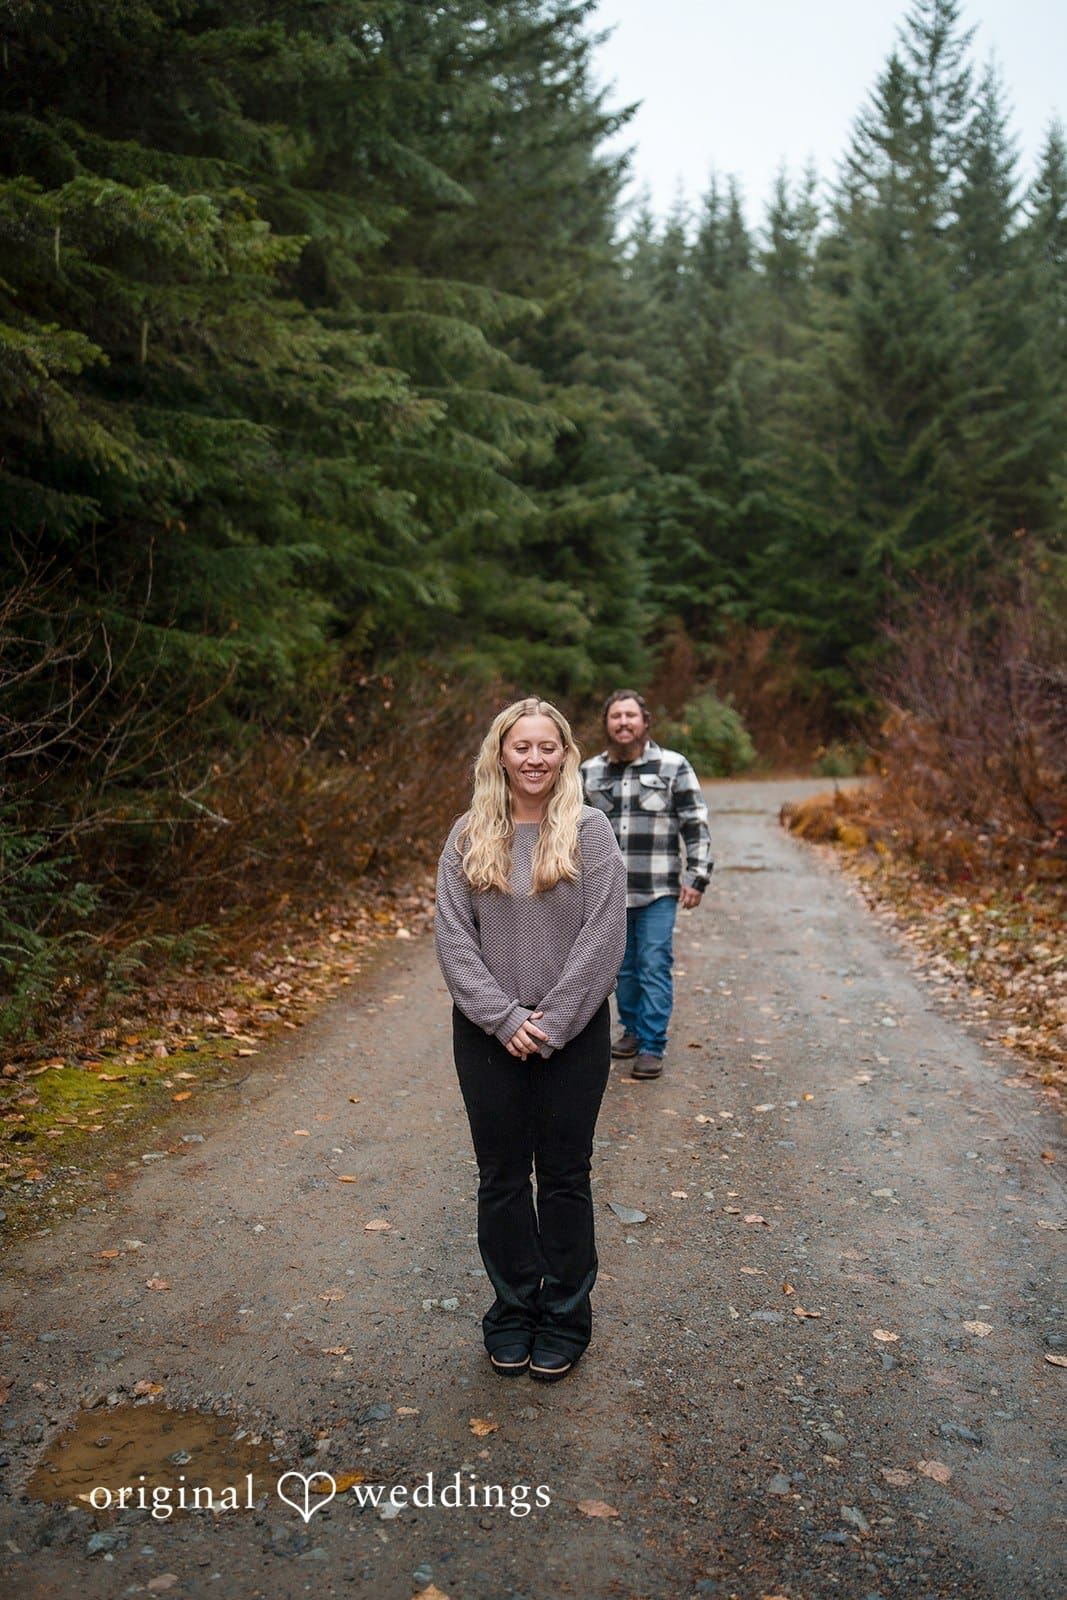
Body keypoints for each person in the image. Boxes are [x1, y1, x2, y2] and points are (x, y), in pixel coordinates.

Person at [435, 697, 626, 1383]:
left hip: (571, 1035)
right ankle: (512, 1311)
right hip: (488, 1036)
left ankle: (566, 1318)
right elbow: (454, 942)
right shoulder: (466, 835)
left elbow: (604, 937)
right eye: (522, 747)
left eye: (548, 746)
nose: (535, 758)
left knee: (566, 1178)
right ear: (500, 755)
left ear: (565, 754)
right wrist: (505, 1020)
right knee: (503, 1179)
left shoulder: (590, 832)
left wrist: (550, 1022)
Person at [580, 689, 712, 1080]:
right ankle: (633, 1030)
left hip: (657, 890)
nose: (623, 722)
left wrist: (697, 875)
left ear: (645, 722)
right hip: (606, 895)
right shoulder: (588, 772)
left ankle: (652, 1045)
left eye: (630, 716)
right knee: (620, 969)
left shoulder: (674, 766)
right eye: (615, 716)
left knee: (653, 964)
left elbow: (695, 823)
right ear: (607, 724)